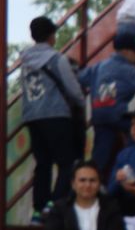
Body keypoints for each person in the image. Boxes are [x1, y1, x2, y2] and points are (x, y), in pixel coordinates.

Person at [17, 16, 88, 218]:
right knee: (68, 162)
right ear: (51, 36)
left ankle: (40, 208)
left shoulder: (26, 62)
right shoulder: (57, 59)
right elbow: (73, 89)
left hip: (32, 117)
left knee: (43, 162)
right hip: (56, 114)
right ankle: (57, 205)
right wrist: (82, 104)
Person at [81, 26, 135, 174]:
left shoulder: (98, 67)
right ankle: (133, 164)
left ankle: (91, 178)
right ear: (128, 51)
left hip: (98, 115)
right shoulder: (128, 69)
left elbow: (81, 78)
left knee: (100, 155)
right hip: (118, 115)